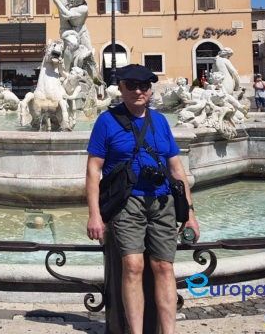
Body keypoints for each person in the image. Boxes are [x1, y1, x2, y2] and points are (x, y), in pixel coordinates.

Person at [86, 64, 199, 334]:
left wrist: (190, 213)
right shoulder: (106, 121)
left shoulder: (160, 121)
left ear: (150, 90)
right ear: (121, 88)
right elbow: (93, 169)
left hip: (162, 202)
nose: (138, 91)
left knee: (164, 266)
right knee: (133, 265)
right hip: (127, 203)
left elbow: (176, 168)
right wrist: (94, 214)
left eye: (144, 86)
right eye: (132, 86)